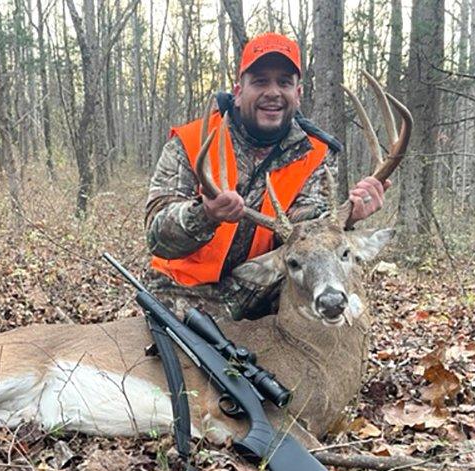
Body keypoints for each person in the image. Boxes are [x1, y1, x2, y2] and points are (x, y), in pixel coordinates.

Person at [144, 33, 388, 320]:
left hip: (266, 295)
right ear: (238, 91)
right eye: (260, 81)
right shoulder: (192, 143)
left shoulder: (317, 154)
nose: (273, 92)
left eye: (284, 82)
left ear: (297, 94)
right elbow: (157, 237)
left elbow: (308, 232)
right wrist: (205, 214)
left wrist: (349, 217)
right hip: (185, 295)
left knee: (343, 297)